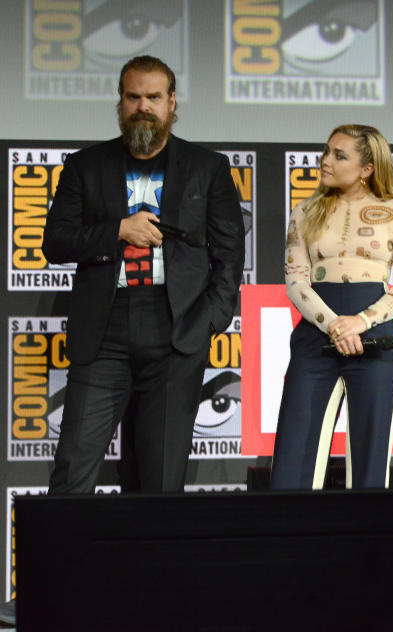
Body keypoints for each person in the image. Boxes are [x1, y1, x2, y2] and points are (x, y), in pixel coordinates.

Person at [42, 55, 246, 493]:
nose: (143, 107)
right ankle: (65, 562)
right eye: (133, 97)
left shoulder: (207, 168)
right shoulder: (86, 166)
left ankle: (149, 563)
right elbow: (55, 242)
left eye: (153, 97)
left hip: (177, 325)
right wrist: (117, 229)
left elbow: (229, 254)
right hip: (104, 327)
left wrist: (209, 320)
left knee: (161, 481)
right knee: (73, 470)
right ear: (120, 102)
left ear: (172, 102)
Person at [270, 124, 393, 490]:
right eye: (326, 152)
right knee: (290, 465)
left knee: (370, 469)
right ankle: (288, 546)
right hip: (314, 339)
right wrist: (336, 325)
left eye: (339, 155)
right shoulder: (304, 211)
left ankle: (366, 547)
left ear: (367, 168)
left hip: (376, 341)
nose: (325, 161)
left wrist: (362, 322)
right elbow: (295, 282)